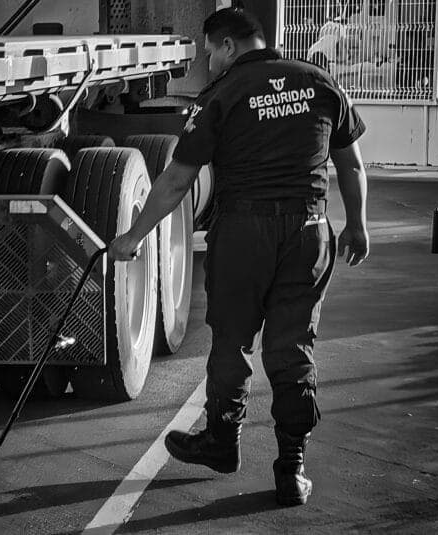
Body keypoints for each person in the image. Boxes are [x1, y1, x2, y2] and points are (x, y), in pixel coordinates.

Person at [109, 8, 369, 506]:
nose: (209, 61)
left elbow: (178, 180)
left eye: (210, 51)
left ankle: (222, 443)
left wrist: (133, 236)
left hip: (243, 235)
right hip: (308, 231)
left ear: (228, 45)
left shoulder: (220, 97)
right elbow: (351, 163)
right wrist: (356, 224)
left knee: (232, 342)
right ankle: (291, 471)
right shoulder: (318, 82)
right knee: (294, 350)